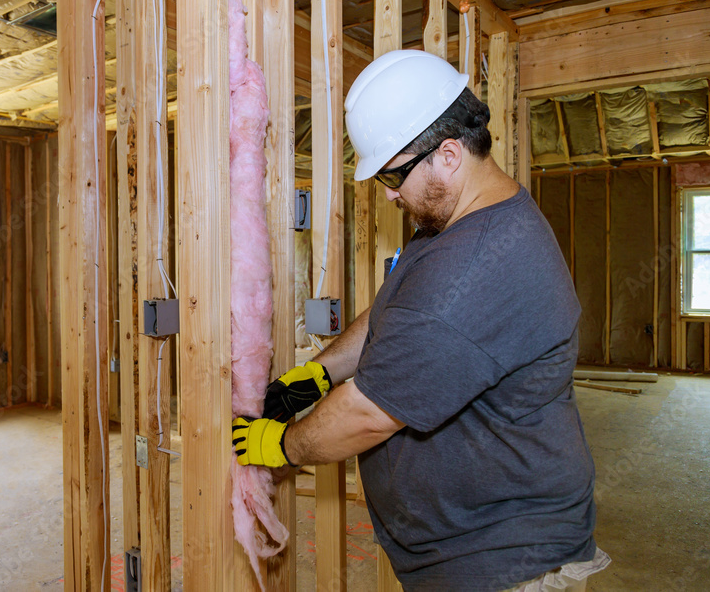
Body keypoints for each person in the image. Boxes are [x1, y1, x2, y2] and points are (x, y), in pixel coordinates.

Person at [232, 50, 609, 591]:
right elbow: (396, 311)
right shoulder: (463, 221)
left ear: (449, 155)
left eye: (393, 175)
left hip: (500, 561)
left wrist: (283, 444)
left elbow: (367, 415)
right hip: (475, 542)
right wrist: (317, 374)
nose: (388, 193)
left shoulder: (471, 270)